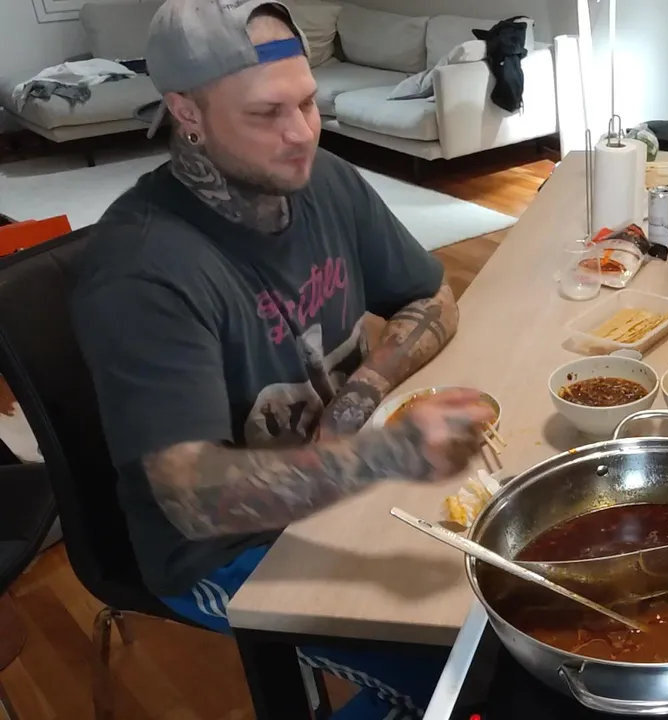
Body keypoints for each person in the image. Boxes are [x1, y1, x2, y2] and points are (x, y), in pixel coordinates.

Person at [71, 1, 494, 717]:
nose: (301, 134)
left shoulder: (322, 178)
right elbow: (192, 499)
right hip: (219, 549)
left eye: (307, 102)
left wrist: (360, 395)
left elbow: (431, 296)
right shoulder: (142, 271)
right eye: (267, 113)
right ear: (187, 112)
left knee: (497, 615)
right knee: (463, 676)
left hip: (339, 482)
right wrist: (387, 455)